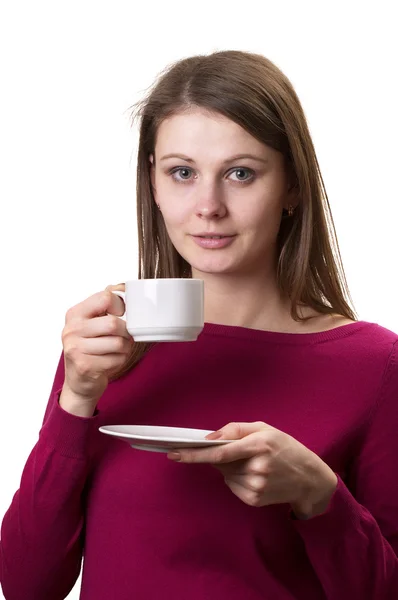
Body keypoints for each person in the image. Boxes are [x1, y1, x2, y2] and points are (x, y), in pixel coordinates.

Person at [1, 50, 397, 600]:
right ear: (155, 185)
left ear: (292, 187)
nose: (208, 205)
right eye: (182, 173)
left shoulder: (374, 364)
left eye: (241, 173)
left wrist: (320, 496)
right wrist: (74, 398)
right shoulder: (107, 346)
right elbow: (26, 584)